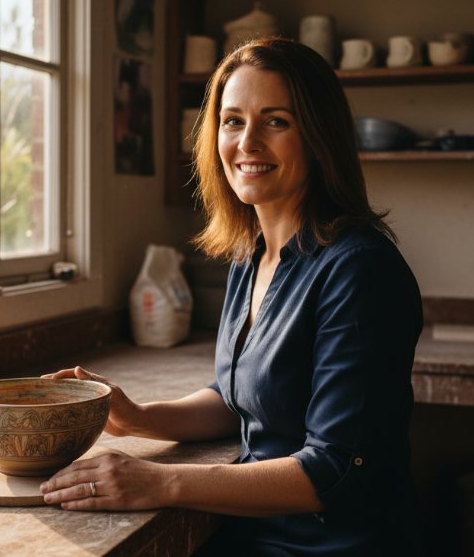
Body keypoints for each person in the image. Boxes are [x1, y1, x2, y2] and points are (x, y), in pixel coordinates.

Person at [39, 36, 423, 556]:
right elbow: (237, 397)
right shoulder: (254, 254)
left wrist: (158, 480)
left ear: (318, 136)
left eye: (276, 121)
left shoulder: (360, 269)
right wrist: (138, 417)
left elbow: (336, 468)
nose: (247, 143)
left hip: (332, 546)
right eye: (233, 120)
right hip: (258, 534)